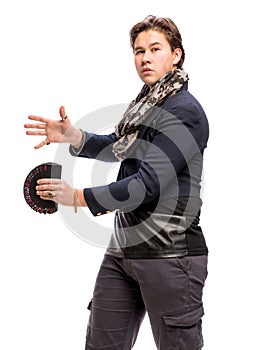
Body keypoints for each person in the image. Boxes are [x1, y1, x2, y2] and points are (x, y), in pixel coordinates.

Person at [24, 15, 209, 350]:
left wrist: (78, 196)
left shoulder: (186, 112)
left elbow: (147, 183)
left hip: (170, 257)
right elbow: (119, 146)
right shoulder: (146, 104)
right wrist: (74, 136)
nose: (145, 58)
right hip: (123, 249)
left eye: (155, 49)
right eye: (139, 51)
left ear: (176, 54)